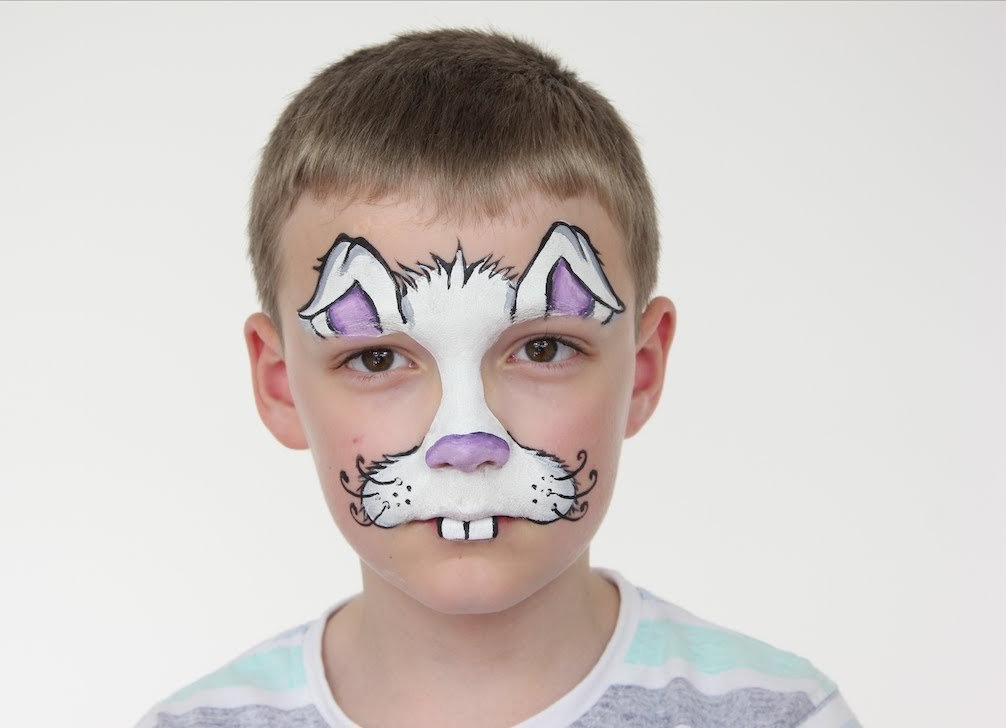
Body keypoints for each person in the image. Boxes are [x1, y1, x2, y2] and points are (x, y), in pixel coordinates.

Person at [136, 29, 859, 728]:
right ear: (281, 386)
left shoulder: (783, 716)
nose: (466, 442)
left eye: (543, 349)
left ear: (641, 371)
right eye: (377, 359)